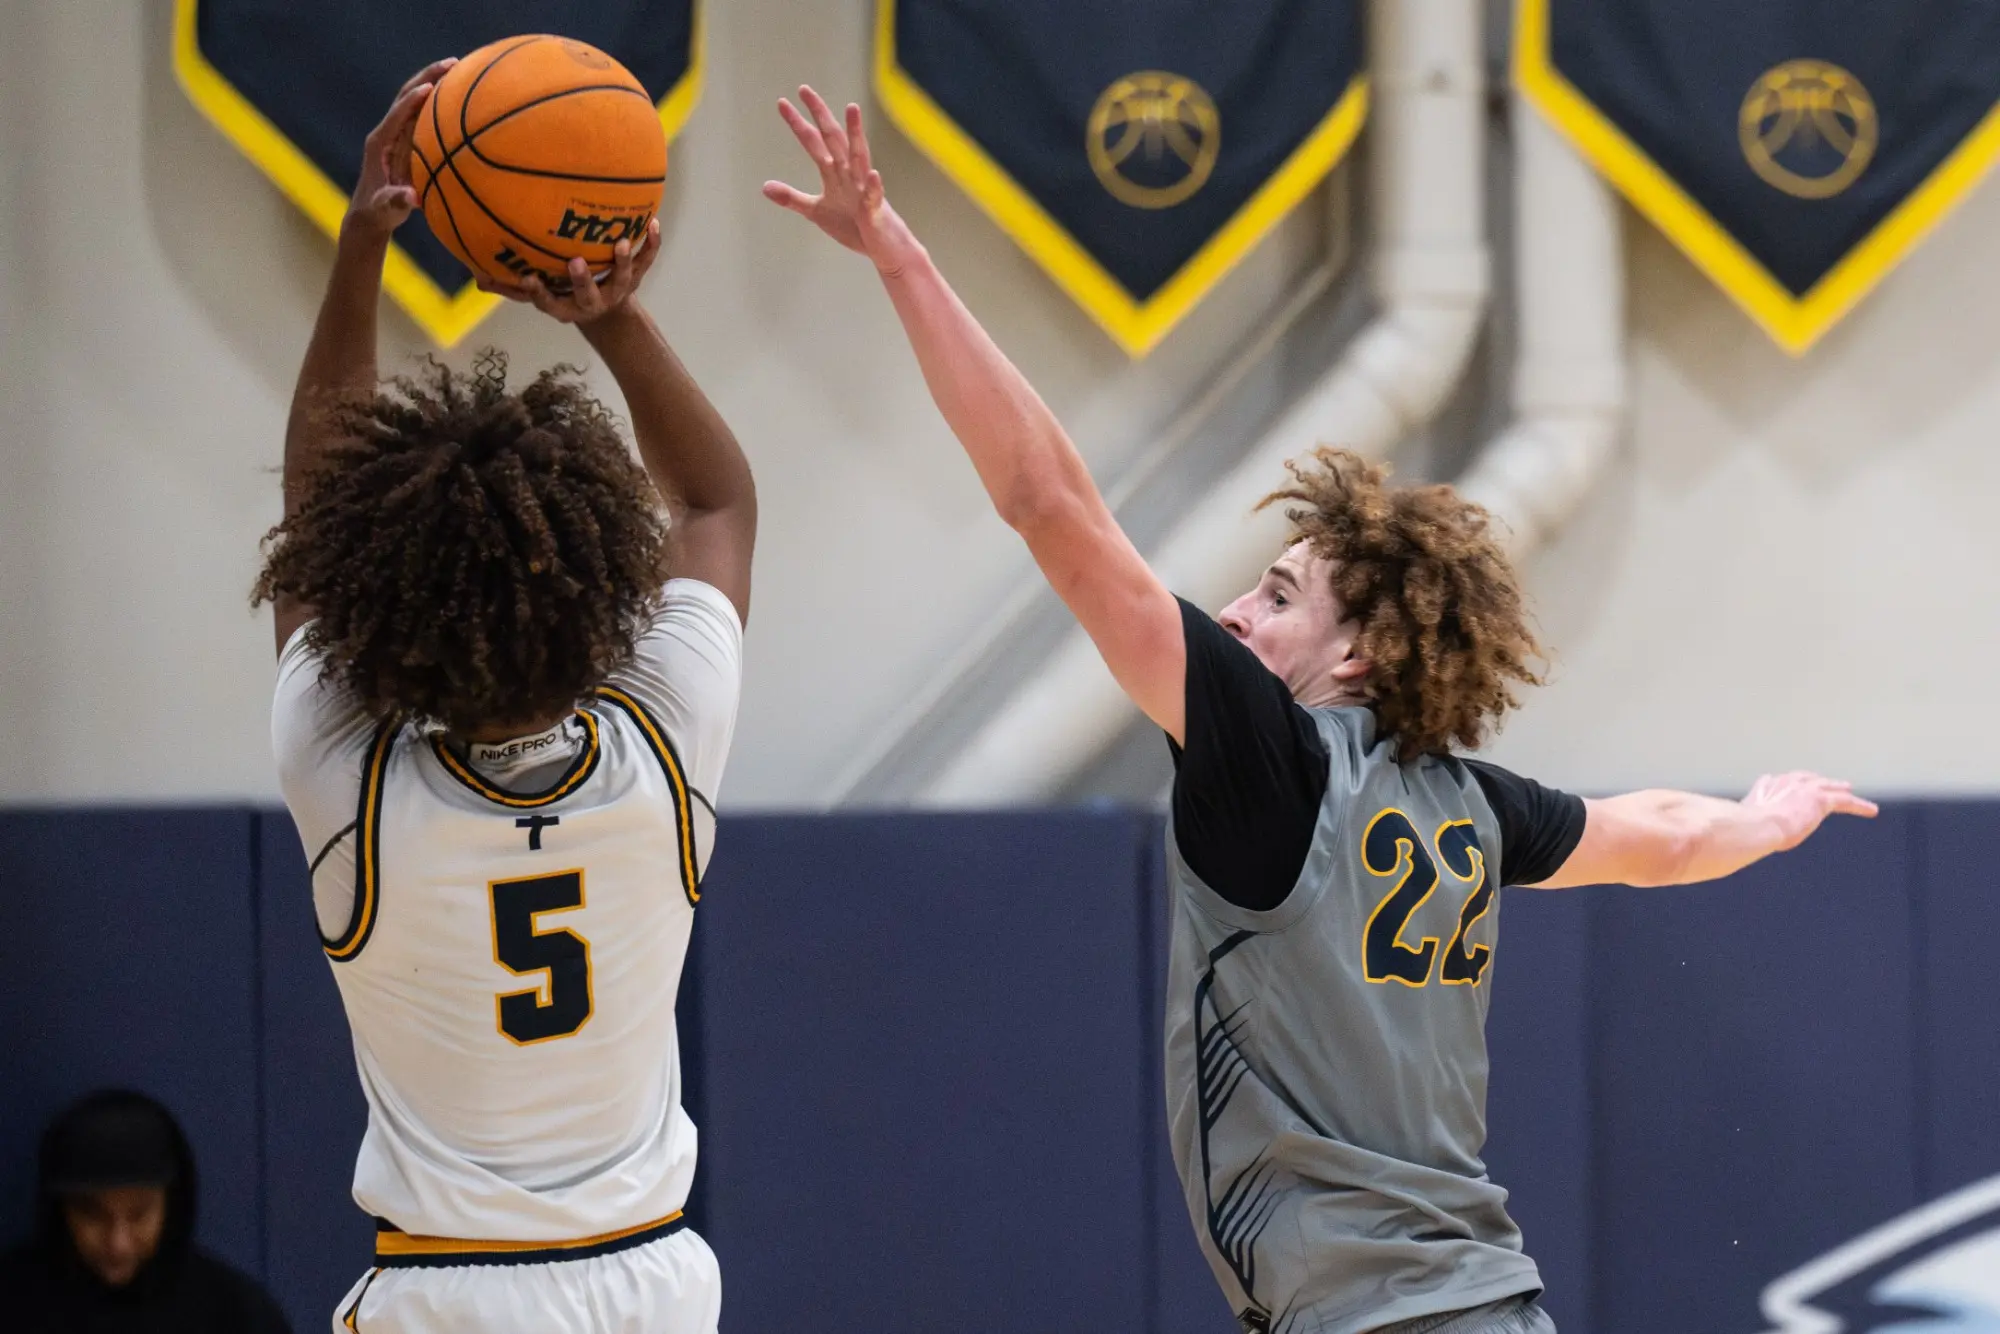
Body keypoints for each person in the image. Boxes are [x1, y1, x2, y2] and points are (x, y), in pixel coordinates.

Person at [765, 86, 1878, 1334]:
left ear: (1359, 650)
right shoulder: (1474, 803)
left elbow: (1047, 501)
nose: (1234, 612)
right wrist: (1757, 817)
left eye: (1277, 591)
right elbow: (1658, 837)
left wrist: (900, 256)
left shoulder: (1269, 761)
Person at [254, 61, 755, 1334]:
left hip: (446, 1294)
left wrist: (364, 239)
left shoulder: (355, 785)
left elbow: (313, 520)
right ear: (599, 601)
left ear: (385, 608)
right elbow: (714, 503)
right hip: (652, 1282)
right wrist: (601, 308)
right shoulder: (660, 746)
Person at [1, 1089, 292, 1334]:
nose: (118, 1243)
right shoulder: (12, 1306)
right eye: (92, 1215)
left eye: (139, 1214)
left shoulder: (238, 1318)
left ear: (172, 1207)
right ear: (59, 1210)